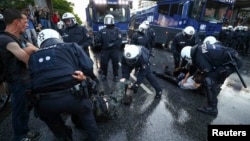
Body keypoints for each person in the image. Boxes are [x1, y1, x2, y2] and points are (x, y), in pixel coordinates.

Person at [28, 29, 99, 141]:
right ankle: (93, 137)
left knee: (51, 119)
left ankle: (64, 136)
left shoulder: (33, 56)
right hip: (73, 96)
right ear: (58, 37)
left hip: (44, 101)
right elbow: (88, 67)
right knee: (86, 113)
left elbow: (31, 78)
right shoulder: (71, 46)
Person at [0, 8, 40, 141]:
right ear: (17, 22)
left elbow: (37, 50)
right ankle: (20, 137)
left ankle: (25, 132)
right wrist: (30, 49)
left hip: (25, 79)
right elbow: (25, 57)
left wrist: (32, 49)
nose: (27, 24)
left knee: (25, 109)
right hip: (17, 82)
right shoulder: (5, 39)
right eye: (25, 21)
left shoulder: (19, 37)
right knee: (19, 111)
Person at [181, 36, 243, 116]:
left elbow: (208, 71)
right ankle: (212, 91)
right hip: (232, 57)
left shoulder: (198, 57)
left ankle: (212, 108)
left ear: (187, 56)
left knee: (209, 80)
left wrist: (198, 82)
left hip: (232, 62)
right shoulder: (198, 49)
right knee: (212, 77)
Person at [61, 12, 99, 83]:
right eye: (65, 21)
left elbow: (89, 40)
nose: (67, 23)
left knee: (88, 69)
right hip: (71, 56)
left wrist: (81, 47)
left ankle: (94, 80)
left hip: (83, 54)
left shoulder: (82, 29)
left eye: (68, 21)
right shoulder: (64, 31)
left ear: (73, 20)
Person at [96, 14, 122, 82]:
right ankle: (104, 75)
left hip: (114, 50)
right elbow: (98, 39)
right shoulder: (102, 30)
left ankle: (116, 76)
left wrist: (112, 44)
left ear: (112, 20)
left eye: (109, 19)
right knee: (104, 63)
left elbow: (119, 40)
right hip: (105, 50)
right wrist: (97, 40)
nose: (108, 21)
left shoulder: (117, 30)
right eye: (106, 19)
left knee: (115, 63)